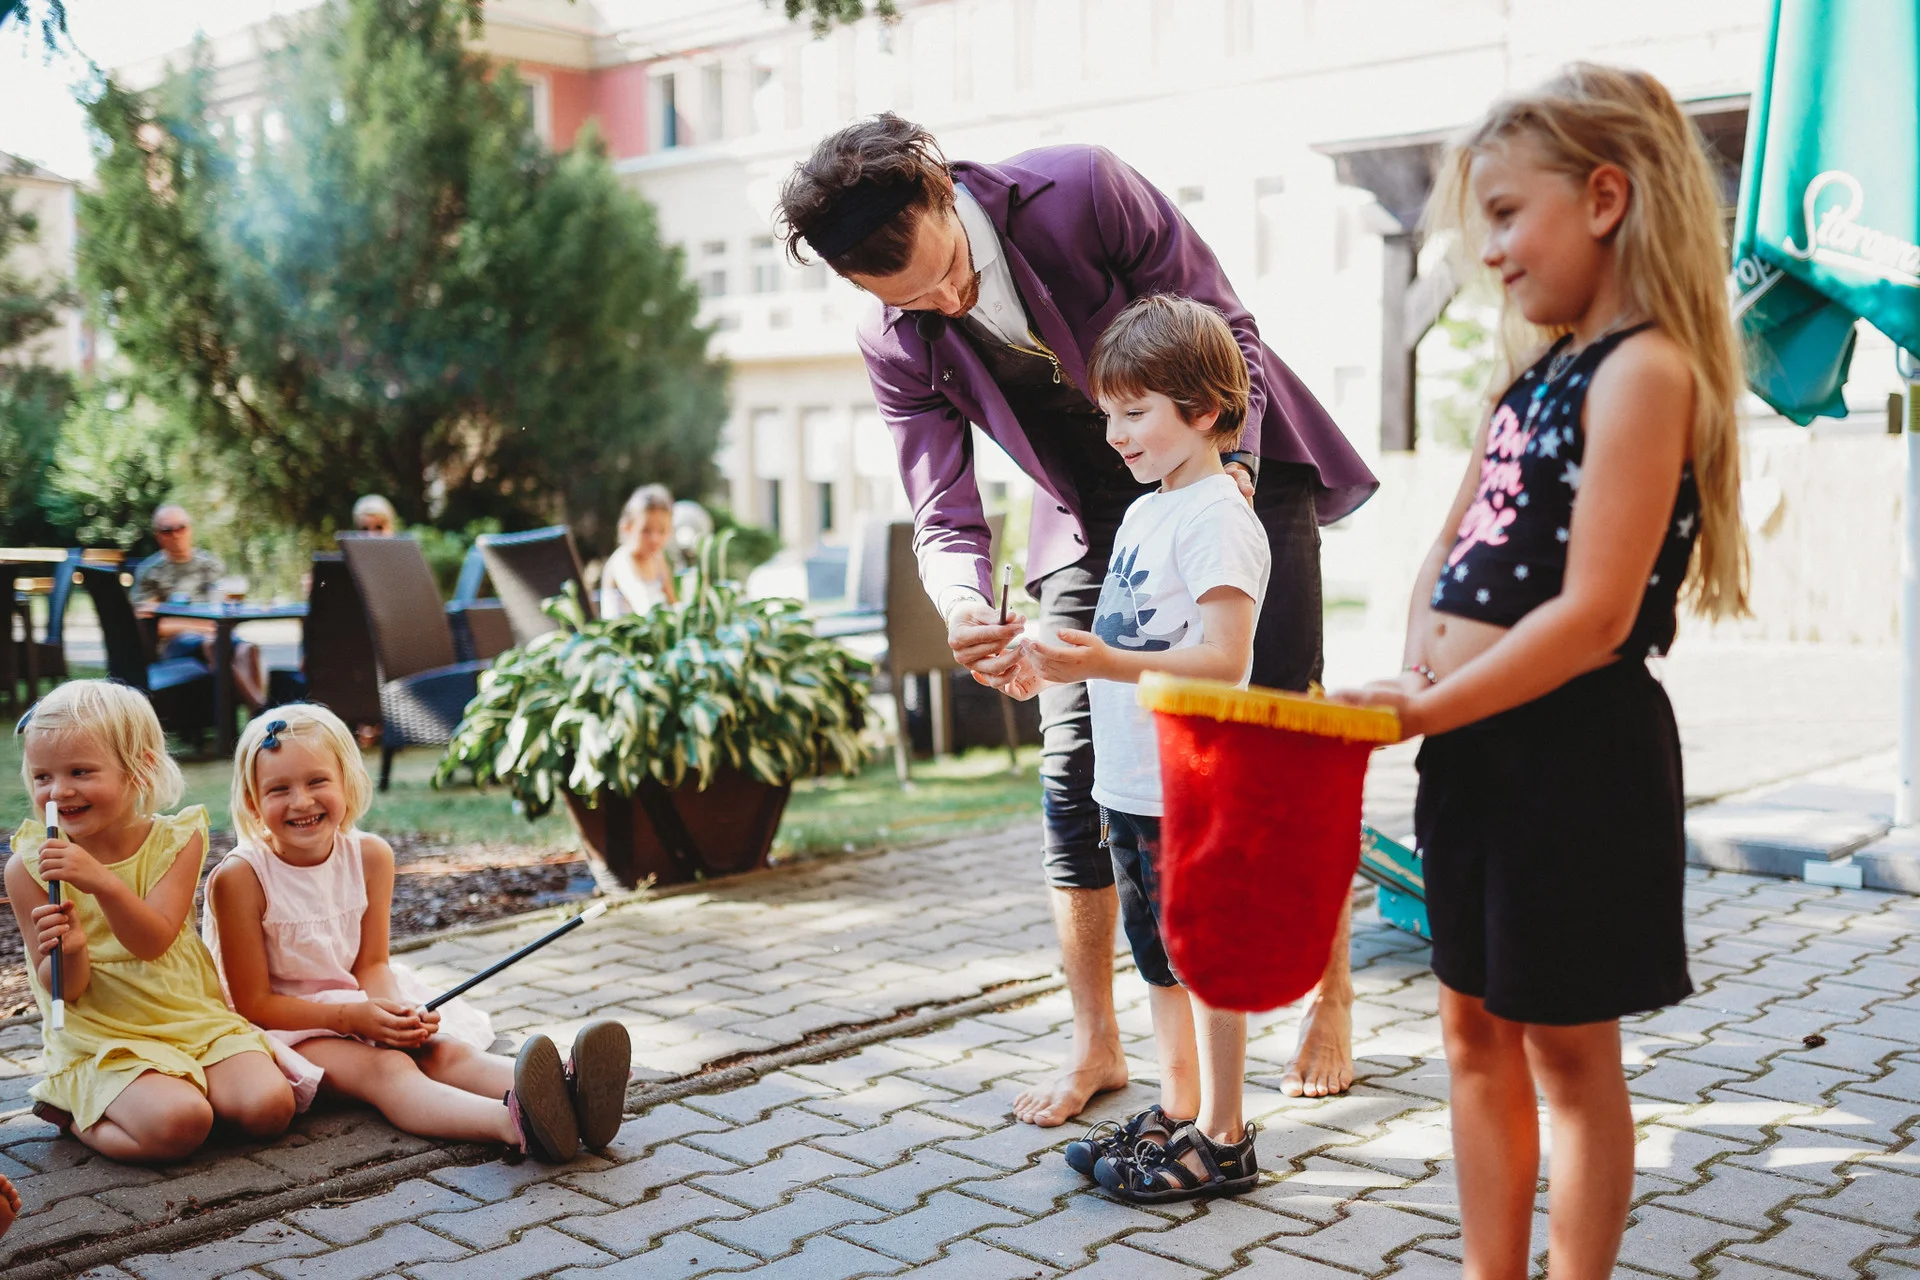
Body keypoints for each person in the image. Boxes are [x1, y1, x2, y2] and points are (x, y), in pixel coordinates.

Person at [777, 115, 1377, 1120]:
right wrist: (966, 603)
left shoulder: (1084, 191)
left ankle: (1332, 999)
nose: (943, 305)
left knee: (1278, 742)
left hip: (1231, 468)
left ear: (936, 190)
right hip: (1092, 518)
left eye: (942, 277)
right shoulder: (892, 335)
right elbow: (943, 507)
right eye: (913, 302)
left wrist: (1222, 482)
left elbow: (1229, 332)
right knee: (1076, 773)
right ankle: (1098, 1044)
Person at [1334, 64, 1748, 1276]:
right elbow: (1452, 548)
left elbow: (1592, 618)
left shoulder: (1646, 371)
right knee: (1470, 1029)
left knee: (1569, 1056)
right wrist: (1416, 663)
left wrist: (1425, 703)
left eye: (1508, 215)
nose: (1492, 253)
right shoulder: (1525, 381)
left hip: (1575, 759)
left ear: (1607, 197)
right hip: (1474, 747)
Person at [999, 296, 1268, 1201]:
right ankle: (1180, 1104)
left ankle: (1226, 1136)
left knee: (1205, 958)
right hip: (1132, 780)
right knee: (1158, 956)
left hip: (1193, 783)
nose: (1113, 433)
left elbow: (1225, 662)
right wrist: (1053, 664)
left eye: (1135, 412)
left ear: (1202, 410)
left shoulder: (1216, 515)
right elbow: (1124, 639)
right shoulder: (1149, 510)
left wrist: (1104, 658)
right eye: (1107, 412)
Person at [203, 704, 632, 1161]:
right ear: (253, 802)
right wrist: (355, 1020)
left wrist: (398, 1012)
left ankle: (573, 1094)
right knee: (387, 1068)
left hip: (356, 1002)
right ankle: (515, 1124)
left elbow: (371, 964)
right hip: (287, 1026)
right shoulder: (242, 878)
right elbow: (254, 1004)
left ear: (347, 782)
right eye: (279, 789)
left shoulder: (370, 856)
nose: (301, 801)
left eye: (317, 782)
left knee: (442, 1051)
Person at [4, 681, 296, 1163]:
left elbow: (153, 941)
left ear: (138, 769)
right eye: (42, 777)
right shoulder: (30, 868)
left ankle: (172, 1091)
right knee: (180, 1126)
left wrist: (102, 882)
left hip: (185, 1014)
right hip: (103, 1033)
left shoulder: (177, 841)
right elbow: (64, 991)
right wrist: (72, 949)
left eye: (80, 771)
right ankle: (75, 1111)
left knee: (269, 1108)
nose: (59, 791)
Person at [131, 505, 267, 712]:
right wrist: (207, 625)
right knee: (215, 644)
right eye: (168, 530)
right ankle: (260, 709)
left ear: (190, 529)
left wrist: (195, 622)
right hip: (175, 646)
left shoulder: (210, 565)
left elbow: (223, 608)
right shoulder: (150, 572)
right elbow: (151, 625)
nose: (176, 535)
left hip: (217, 634)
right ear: (158, 535)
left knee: (247, 649)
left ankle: (254, 714)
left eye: (181, 528)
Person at [600, 485, 678, 618]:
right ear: (627, 527)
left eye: (662, 531)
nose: (655, 538)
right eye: (646, 531)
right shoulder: (621, 561)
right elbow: (642, 604)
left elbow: (672, 601)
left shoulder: (657, 558)